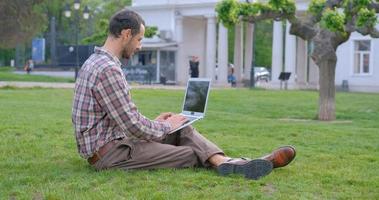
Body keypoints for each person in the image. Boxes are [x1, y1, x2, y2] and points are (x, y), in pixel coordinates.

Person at [72, 9, 296, 180]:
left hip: (116, 142)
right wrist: (165, 128)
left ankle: (227, 162)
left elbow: (121, 120)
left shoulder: (96, 62)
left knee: (183, 127)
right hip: (112, 154)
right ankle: (233, 165)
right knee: (189, 153)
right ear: (126, 34)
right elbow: (132, 126)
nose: (140, 46)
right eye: (139, 39)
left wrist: (160, 124)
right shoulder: (108, 69)